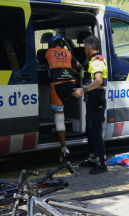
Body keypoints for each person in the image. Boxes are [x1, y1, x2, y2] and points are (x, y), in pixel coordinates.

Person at [72, 35, 108, 174]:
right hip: (92, 99)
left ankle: (102, 164)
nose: (84, 49)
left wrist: (83, 90)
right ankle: (93, 158)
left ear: (88, 47)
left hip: (96, 100)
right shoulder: (92, 60)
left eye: (84, 47)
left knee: (96, 131)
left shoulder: (97, 61)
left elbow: (98, 80)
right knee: (90, 130)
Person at [45, 33, 83, 163]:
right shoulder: (68, 52)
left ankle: (64, 148)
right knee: (62, 109)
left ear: (52, 45)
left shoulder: (48, 52)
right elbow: (79, 67)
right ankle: (59, 128)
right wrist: (77, 73)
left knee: (58, 115)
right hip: (71, 83)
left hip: (57, 85)